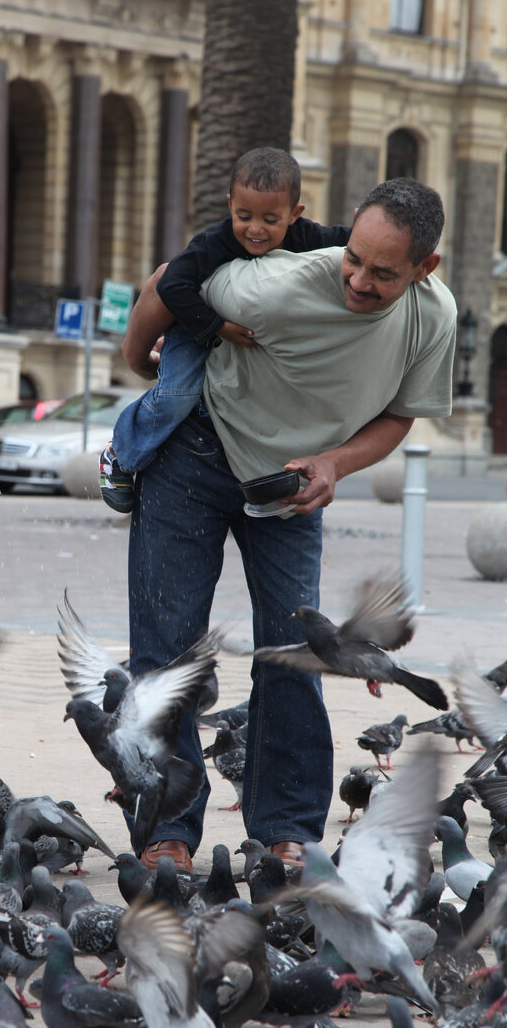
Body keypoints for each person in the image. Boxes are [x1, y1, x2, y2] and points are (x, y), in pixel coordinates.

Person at [122, 176, 456, 873]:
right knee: (168, 648)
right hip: (196, 454)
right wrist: (137, 362)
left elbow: (399, 415)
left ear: (426, 268)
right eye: (353, 259)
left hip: (290, 484)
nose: (358, 281)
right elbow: (162, 283)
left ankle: (286, 832)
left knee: (300, 651)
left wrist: (335, 463)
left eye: (383, 272)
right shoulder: (276, 283)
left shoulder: (435, 317)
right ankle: (167, 831)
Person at [99, 147, 350, 512]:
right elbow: (172, 286)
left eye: (270, 219)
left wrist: (372, 234)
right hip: (196, 326)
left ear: (295, 215)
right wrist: (217, 329)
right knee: (178, 395)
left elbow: (345, 242)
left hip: (247, 339)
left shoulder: (304, 237)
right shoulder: (214, 242)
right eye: (243, 215)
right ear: (229, 204)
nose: (255, 229)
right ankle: (120, 452)